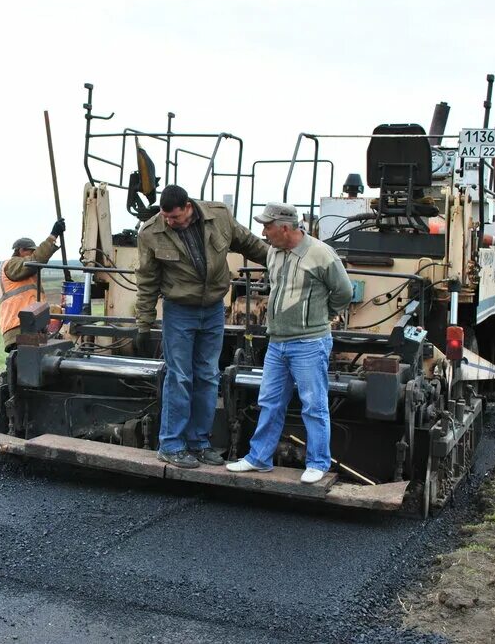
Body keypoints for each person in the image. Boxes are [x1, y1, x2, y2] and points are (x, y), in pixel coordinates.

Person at [135, 185, 268, 468]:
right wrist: (143, 323)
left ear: (187, 207)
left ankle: (199, 443)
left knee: (208, 375)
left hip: (213, 310)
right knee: (180, 376)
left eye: (175, 217)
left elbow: (250, 243)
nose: (170, 222)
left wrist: (283, 259)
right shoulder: (151, 232)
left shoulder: (219, 217)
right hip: (179, 311)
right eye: (166, 217)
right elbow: (147, 280)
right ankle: (170, 445)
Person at [226, 202, 353, 483]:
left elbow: (344, 292)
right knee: (269, 401)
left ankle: (318, 463)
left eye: (267, 226)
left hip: (309, 343)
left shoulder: (321, 253)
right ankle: (259, 458)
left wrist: (322, 317)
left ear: (285, 227)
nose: (263, 231)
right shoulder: (274, 251)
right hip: (277, 342)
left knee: (313, 404)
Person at [0, 218, 65, 351]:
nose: (33, 254)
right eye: (31, 251)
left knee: (37, 360)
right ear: (21, 250)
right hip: (19, 326)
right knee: (28, 361)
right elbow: (37, 259)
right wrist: (53, 236)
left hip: (30, 325)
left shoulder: (28, 272)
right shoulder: (12, 265)